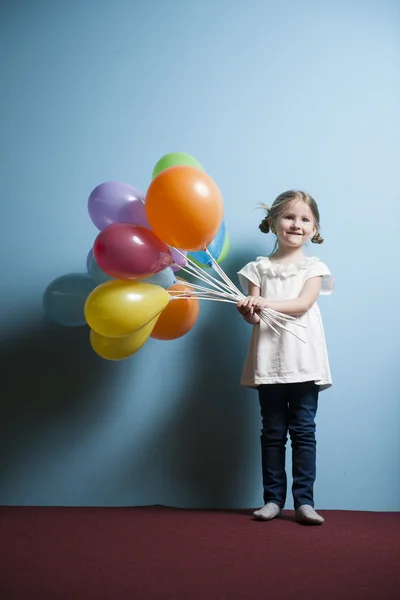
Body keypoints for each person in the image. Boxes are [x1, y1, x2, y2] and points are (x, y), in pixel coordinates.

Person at [236, 190, 334, 525]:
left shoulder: (314, 266)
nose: (296, 224)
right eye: (289, 216)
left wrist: (264, 304)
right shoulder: (257, 269)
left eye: (304, 219)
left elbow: (302, 304)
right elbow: (254, 317)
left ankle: (304, 502)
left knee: (304, 430)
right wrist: (248, 309)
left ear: (314, 228)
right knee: (273, 431)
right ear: (273, 222)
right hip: (270, 361)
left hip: (304, 361)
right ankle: (273, 499)